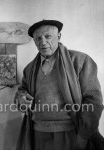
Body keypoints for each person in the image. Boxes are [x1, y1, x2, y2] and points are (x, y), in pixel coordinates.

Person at [14, 20, 104, 150]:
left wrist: (83, 136)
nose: (43, 42)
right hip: (39, 133)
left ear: (59, 36)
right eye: (38, 38)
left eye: (48, 36)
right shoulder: (30, 69)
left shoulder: (80, 61)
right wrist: (21, 96)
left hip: (72, 132)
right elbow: (22, 91)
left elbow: (93, 100)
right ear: (34, 41)